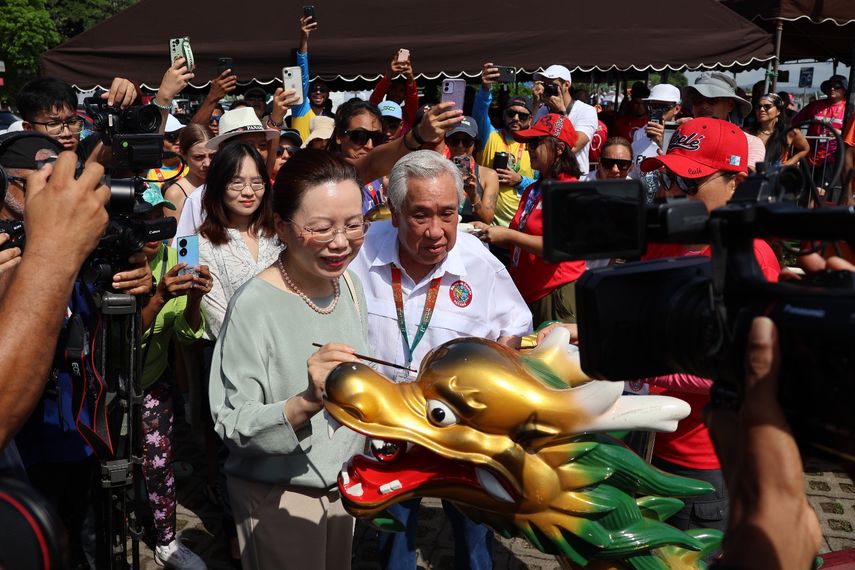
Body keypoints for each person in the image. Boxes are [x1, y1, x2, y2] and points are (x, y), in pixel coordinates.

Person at [349, 150, 532, 570]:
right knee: (394, 538)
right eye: (420, 215)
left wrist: (498, 366)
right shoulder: (361, 255)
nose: (436, 231)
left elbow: (516, 321)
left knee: (474, 535)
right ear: (394, 213)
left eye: (447, 214)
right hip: (387, 430)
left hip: (460, 432)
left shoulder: (479, 263)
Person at [209, 150, 370, 569]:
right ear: (281, 227)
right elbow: (233, 422)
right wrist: (304, 402)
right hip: (279, 496)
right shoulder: (253, 305)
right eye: (320, 228)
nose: (340, 242)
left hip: (344, 486)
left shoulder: (349, 284)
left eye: (354, 225)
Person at [4, 132, 154, 568]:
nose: (55, 196)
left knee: (89, 549)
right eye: (36, 182)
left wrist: (140, 286)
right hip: (21, 452)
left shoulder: (80, 249)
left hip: (86, 438)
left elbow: (113, 335)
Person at [637, 117, 781, 532]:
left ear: (736, 180)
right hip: (643, 439)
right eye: (669, 176)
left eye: (691, 181)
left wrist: (644, 365)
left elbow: (740, 370)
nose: (673, 191)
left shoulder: (750, 258)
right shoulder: (664, 236)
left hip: (700, 461)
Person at [138, 187, 210, 569]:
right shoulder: (112, 262)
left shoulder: (175, 259)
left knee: (158, 461)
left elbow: (186, 334)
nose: (153, 231)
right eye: (143, 222)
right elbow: (121, 338)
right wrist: (158, 297)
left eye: (160, 221)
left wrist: (195, 297)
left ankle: (166, 541)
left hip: (151, 381)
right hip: (103, 385)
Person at [474, 113, 587, 327]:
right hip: (528, 293)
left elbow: (555, 247)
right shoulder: (533, 190)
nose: (528, 149)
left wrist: (508, 234)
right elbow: (517, 239)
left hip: (556, 295)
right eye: (528, 143)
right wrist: (488, 231)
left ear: (559, 149)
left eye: (536, 143)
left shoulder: (570, 191)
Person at [173, 103, 296, 239]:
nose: (257, 152)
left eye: (262, 145)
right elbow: (186, 253)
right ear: (225, 148)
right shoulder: (198, 200)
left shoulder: (268, 191)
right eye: (248, 145)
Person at [327, 97, 463, 214]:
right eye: (359, 136)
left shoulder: (387, 175)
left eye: (376, 138)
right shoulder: (331, 169)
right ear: (340, 136)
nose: (369, 145)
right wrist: (419, 134)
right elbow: (370, 165)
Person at [15, 75, 138, 161]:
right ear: (28, 128)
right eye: (53, 124)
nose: (67, 133)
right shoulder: (15, 167)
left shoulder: (89, 151)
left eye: (72, 121)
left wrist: (129, 94)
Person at [474, 63, 537, 228]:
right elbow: (480, 111)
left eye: (522, 116)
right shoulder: (489, 135)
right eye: (511, 113)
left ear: (530, 120)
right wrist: (486, 88)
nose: (516, 118)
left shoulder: (534, 146)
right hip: (488, 226)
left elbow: (541, 185)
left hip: (520, 227)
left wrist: (520, 180)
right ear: (504, 115)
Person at [683, 72, 765, 172]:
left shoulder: (750, 144)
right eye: (697, 100)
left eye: (712, 100)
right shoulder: (682, 138)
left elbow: (744, 179)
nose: (704, 106)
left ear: (730, 105)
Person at [532, 64, 599, 175]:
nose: (548, 88)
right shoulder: (543, 110)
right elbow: (530, 141)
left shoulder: (586, 111)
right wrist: (535, 104)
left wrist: (561, 111)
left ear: (566, 85)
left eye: (552, 85)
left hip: (574, 179)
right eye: (545, 85)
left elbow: (574, 146)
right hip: (546, 178)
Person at [792, 74, 848, 191]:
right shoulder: (815, 105)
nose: (832, 89)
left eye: (836, 86)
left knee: (819, 191)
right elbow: (795, 122)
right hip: (809, 153)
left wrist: (841, 132)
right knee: (803, 189)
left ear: (844, 89)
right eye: (829, 86)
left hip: (832, 157)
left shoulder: (849, 108)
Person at [628, 83, 683, 201]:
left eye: (664, 107)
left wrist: (663, 144)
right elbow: (634, 174)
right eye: (653, 106)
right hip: (646, 205)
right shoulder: (639, 134)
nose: (658, 111)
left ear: (677, 109)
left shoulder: (684, 136)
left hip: (673, 202)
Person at [445, 116, 499, 223]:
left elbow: (487, 220)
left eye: (466, 141)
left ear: (475, 144)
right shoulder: (439, 171)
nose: (460, 146)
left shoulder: (489, 175)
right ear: (447, 143)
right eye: (454, 141)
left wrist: (474, 195)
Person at [164, 123, 214, 223]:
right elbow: (173, 238)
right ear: (183, 154)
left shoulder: (225, 184)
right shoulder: (175, 193)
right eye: (199, 157)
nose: (207, 163)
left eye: (212, 156)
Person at [747, 92, 809, 166]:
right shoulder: (748, 132)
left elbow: (805, 148)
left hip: (777, 176)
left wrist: (789, 163)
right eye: (758, 106)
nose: (761, 109)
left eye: (767, 106)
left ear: (778, 111)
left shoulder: (789, 132)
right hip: (751, 176)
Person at [369, 50, 419, 133]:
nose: (397, 93)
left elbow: (412, 99)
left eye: (402, 90)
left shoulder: (407, 116)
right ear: (387, 90)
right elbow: (374, 101)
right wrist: (388, 76)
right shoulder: (377, 112)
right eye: (393, 89)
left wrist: (410, 78)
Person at [144, 114, 188, 194]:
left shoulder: (190, 168)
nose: (178, 141)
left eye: (180, 135)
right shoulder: (146, 172)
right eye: (172, 136)